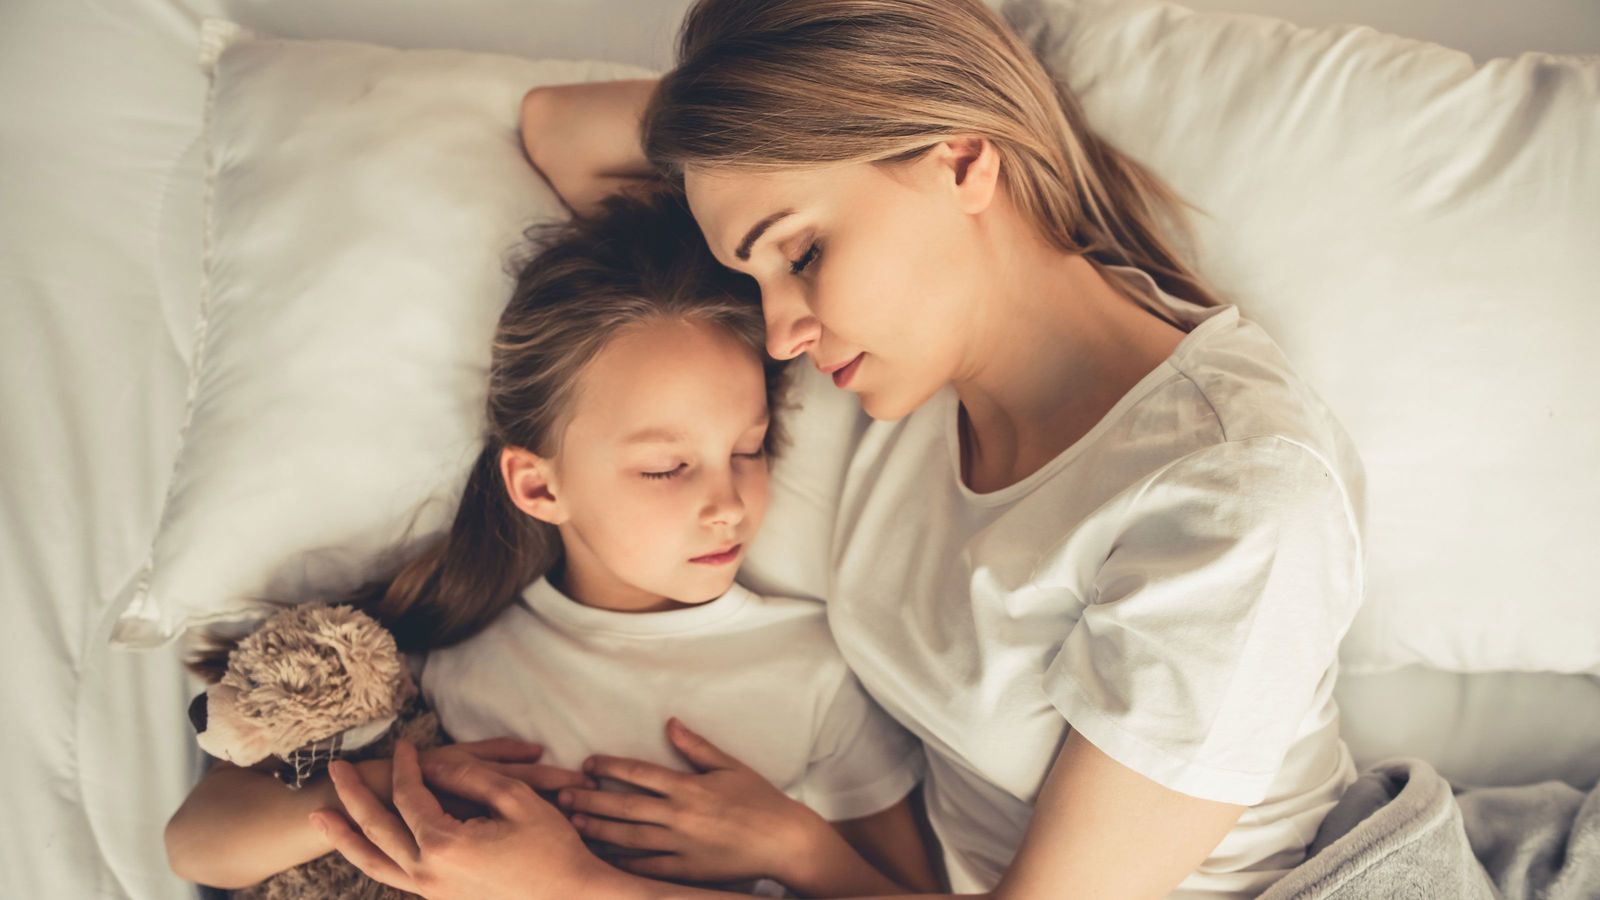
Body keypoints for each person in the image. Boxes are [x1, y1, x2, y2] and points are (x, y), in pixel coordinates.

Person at [316, 1, 1368, 897]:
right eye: (757, 268)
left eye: (802, 252)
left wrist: (589, 885)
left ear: (961, 159)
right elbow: (563, 132)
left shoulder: (1231, 502)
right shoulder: (902, 361)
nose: (777, 333)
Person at [165, 188, 937, 897]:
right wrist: (403, 786)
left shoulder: (810, 674)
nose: (727, 504)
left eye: (748, 449)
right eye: (668, 468)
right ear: (538, 487)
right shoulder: (454, 653)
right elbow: (195, 846)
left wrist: (794, 845)